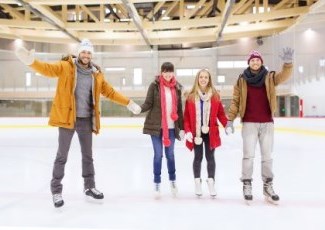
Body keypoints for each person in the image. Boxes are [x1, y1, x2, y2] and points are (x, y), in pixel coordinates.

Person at [15, 39, 141, 208]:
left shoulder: (96, 74)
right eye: (83, 52)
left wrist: (128, 102)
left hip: (86, 120)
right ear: (79, 53)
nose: (86, 55)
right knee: (62, 156)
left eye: (89, 53)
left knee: (88, 156)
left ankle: (89, 187)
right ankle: (56, 191)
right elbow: (47, 69)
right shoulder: (66, 66)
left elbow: (110, 92)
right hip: (68, 119)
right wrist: (31, 62)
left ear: (91, 55)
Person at [226, 47, 294, 204]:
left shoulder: (269, 77)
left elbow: (283, 76)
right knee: (248, 156)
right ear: (249, 63)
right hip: (249, 122)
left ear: (261, 62)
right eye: (252, 60)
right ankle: (247, 184)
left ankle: (267, 185)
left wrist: (288, 64)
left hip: (267, 123)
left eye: (257, 60)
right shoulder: (241, 79)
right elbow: (236, 101)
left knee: (267, 156)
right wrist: (230, 119)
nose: (255, 62)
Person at [139, 62, 184, 198]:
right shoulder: (155, 86)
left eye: (170, 71)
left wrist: (182, 128)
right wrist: (139, 109)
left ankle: (172, 181)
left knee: (170, 155)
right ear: (161, 72)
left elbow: (179, 110)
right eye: (165, 71)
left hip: (171, 128)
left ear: (173, 72)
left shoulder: (177, 87)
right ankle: (157, 183)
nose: (168, 74)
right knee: (158, 155)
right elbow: (148, 103)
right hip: (156, 128)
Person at [183, 69, 230, 197]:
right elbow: (186, 117)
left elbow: (220, 113)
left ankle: (211, 182)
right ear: (197, 79)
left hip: (211, 132)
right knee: (198, 157)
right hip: (196, 133)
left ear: (209, 80)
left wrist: (226, 125)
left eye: (206, 77)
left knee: (210, 157)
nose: (203, 79)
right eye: (201, 77)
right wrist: (187, 131)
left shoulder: (215, 96)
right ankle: (197, 182)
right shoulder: (191, 97)